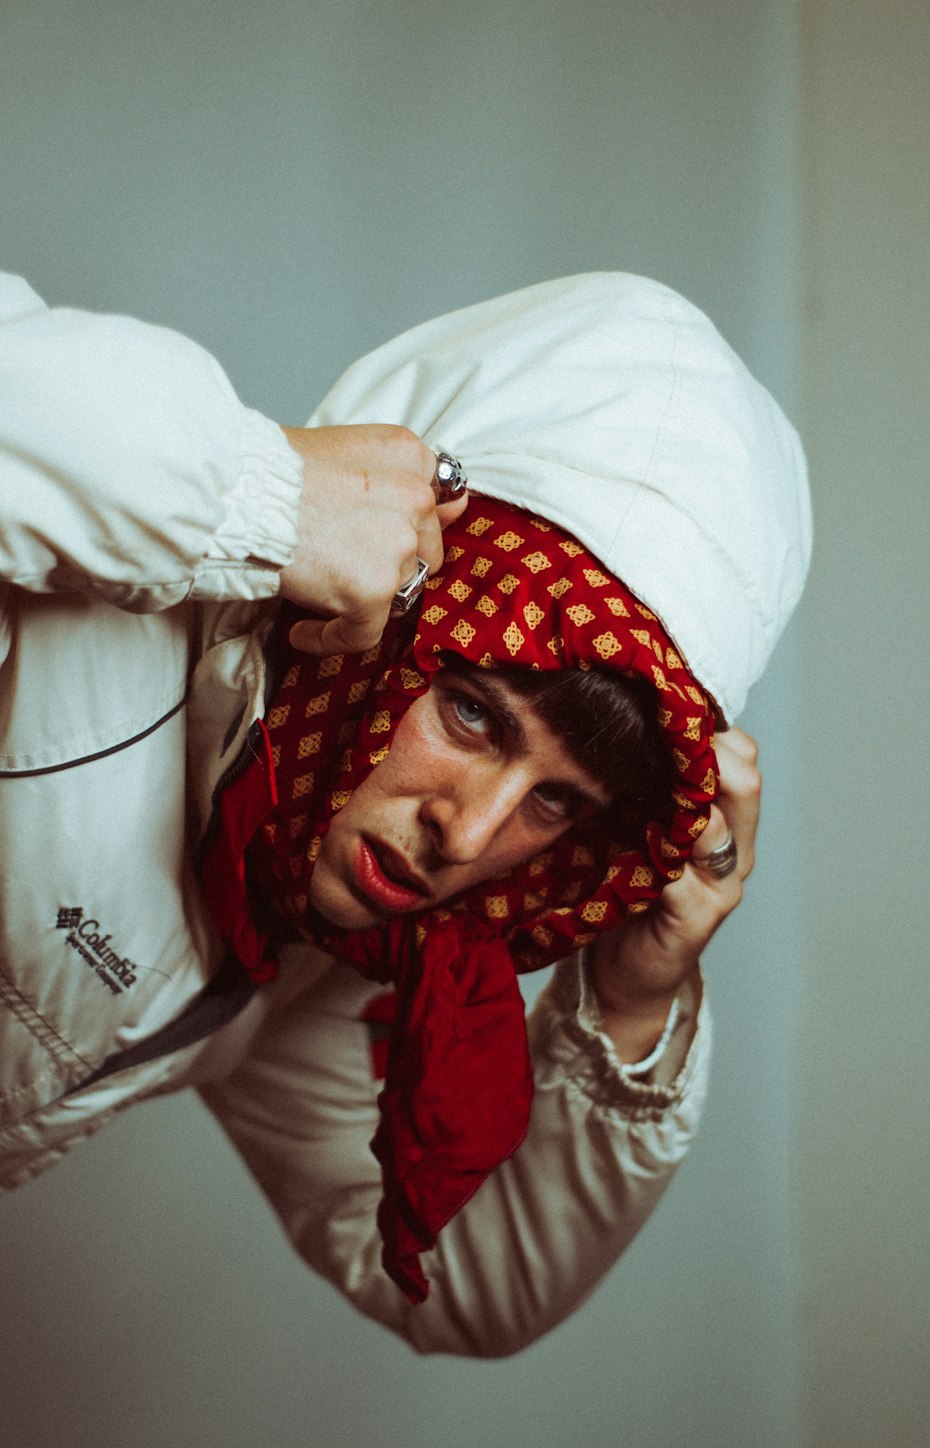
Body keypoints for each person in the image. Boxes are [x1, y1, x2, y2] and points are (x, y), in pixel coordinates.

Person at [0, 270, 810, 1355]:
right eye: (474, 714)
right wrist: (256, 498)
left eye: (557, 802)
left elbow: (471, 1284)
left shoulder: (331, 943)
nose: (468, 838)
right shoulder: (73, 606)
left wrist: (631, 998)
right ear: (389, 580)